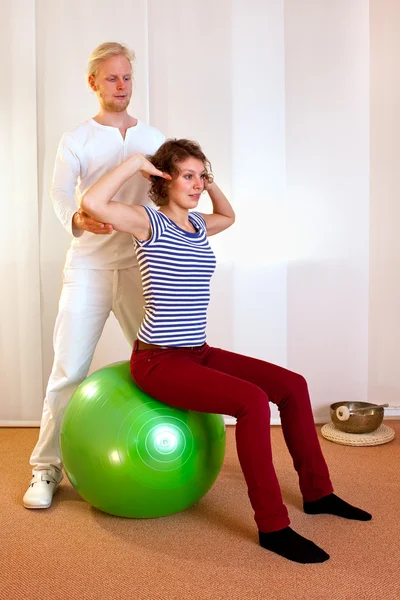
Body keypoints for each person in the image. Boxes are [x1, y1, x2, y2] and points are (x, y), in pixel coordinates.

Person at [80, 138, 372, 563]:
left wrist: (211, 184)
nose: (197, 184)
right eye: (188, 176)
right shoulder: (148, 223)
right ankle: (273, 527)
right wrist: (134, 163)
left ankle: (318, 492)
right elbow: (93, 200)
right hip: (158, 359)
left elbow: (229, 216)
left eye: (203, 175)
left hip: (198, 350)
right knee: (253, 402)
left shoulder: (200, 226)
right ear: (165, 179)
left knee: (292, 385)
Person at [23, 42, 165, 510]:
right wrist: (78, 220)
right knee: (67, 371)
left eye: (126, 78)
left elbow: (169, 198)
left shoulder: (155, 139)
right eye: (111, 79)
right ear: (93, 83)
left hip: (140, 266)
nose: (121, 86)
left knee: (161, 365)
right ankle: (46, 470)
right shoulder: (76, 138)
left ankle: (164, 452)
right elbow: (61, 194)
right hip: (87, 265)